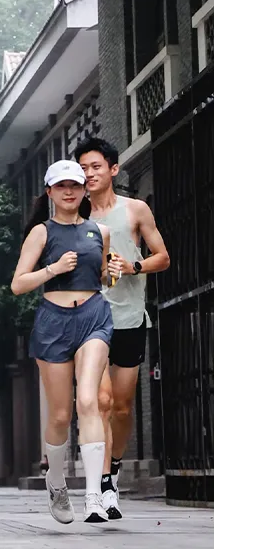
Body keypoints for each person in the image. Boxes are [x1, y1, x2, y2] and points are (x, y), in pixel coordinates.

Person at [11, 159, 121, 524]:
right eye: (61, 186)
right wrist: (53, 269)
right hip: (53, 321)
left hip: (93, 317)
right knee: (60, 415)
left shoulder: (100, 232)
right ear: (50, 192)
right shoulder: (41, 233)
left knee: (88, 400)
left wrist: (113, 274)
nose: (69, 191)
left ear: (85, 189)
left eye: (75, 185)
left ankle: (93, 497)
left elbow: (102, 277)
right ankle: (56, 482)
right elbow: (18, 284)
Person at [75, 137, 170, 519]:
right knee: (101, 401)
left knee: (122, 405)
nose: (89, 174)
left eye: (96, 166)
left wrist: (134, 267)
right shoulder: (76, 216)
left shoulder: (135, 210)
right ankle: (102, 486)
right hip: (90, 320)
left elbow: (163, 257)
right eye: (83, 168)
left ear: (113, 169)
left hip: (128, 317)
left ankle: (113, 471)